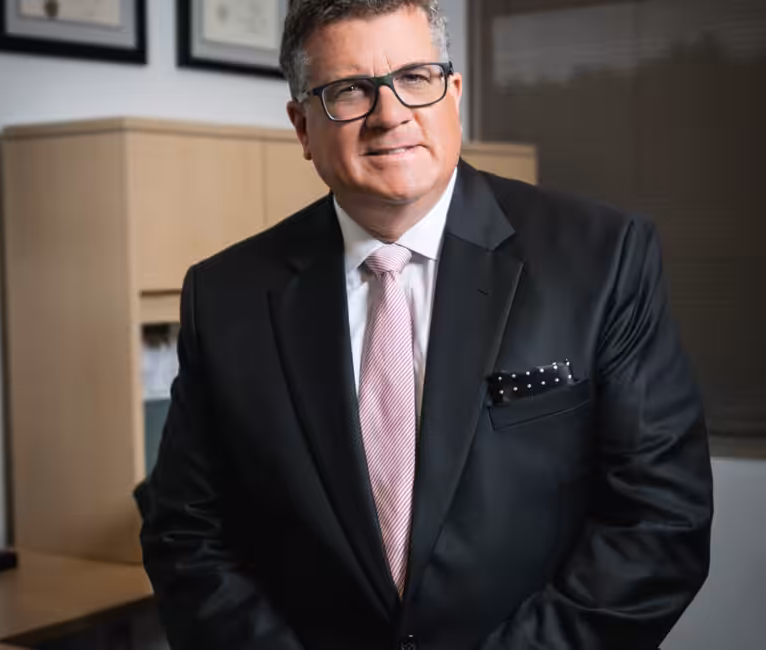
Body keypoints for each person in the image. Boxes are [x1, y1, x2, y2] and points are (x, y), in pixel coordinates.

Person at [140, 1, 713, 648]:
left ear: (454, 95)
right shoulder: (226, 296)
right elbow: (185, 533)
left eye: (415, 77)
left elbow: (659, 522)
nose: (390, 115)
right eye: (349, 90)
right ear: (302, 127)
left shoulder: (601, 258)